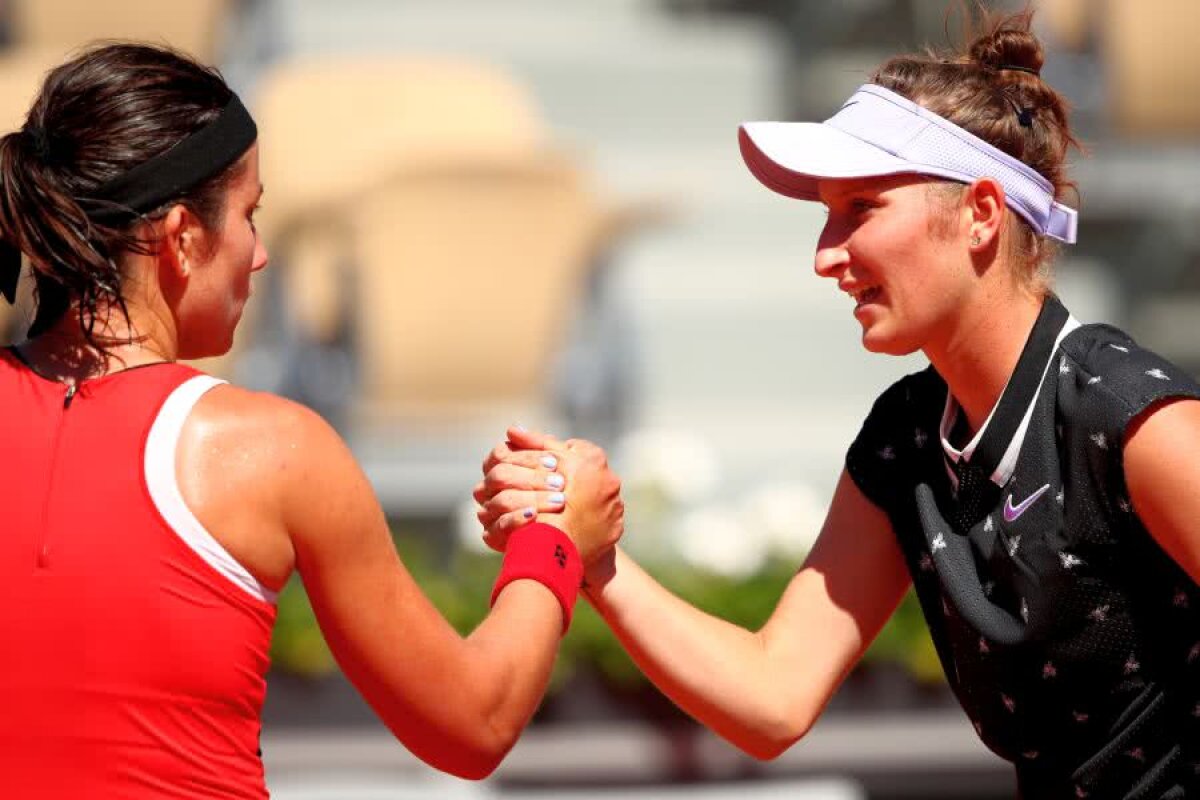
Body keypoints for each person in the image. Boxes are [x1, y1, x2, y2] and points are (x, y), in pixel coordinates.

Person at [476, 9, 1200, 798]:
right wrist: (592, 556)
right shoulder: (906, 439)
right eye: (827, 214)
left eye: (862, 210)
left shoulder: (1129, 416)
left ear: (982, 216)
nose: (826, 255)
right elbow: (773, 696)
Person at [0, 43, 621, 798]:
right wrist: (555, 544)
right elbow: (475, 721)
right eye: (249, 216)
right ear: (182, 238)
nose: (259, 256)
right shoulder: (273, 451)